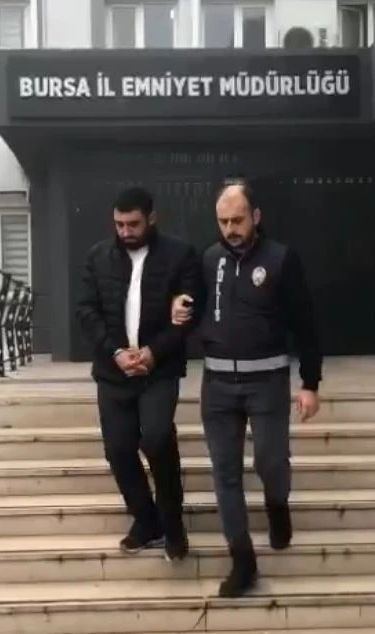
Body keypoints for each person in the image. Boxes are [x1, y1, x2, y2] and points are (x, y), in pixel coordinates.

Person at [171, 178, 322, 598]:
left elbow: (306, 326)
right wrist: (180, 305)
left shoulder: (281, 259)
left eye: (237, 220)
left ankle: (277, 505)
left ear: (256, 216)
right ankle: (242, 560)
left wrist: (310, 383)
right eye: (223, 222)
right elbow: (194, 301)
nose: (230, 229)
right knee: (225, 473)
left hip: (267, 381)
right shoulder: (210, 259)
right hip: (218, 384)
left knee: (271, 462)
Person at [75, 185, 202, 561]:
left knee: (158, 438)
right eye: (119, 224)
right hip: (113, 371)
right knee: (117, 449)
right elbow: (86, 311)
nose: (126, 231)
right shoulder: (97, 257)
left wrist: (152, 352)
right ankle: (146, 521)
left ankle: (172, 523)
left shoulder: (180, 255)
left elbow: (187, 315)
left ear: (152, 218)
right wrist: (116, 353)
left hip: (158, 371)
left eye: (133, 224)